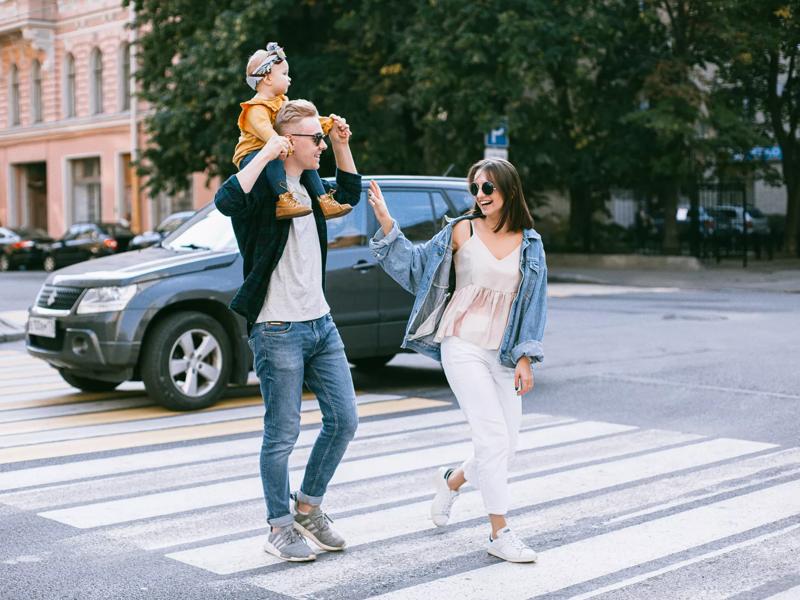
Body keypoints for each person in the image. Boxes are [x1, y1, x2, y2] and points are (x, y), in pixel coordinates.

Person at [368, 158, 546, 563]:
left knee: (508, 443)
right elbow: (415, 269)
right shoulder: (460, 230)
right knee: (492, 438)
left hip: (502, 351)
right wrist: (386, 224)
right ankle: (499, 533)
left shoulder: (530, 243)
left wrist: (525, 357)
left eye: (488, 189)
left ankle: (453, 480)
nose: (480, 196)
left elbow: (534, 305)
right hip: (461, 343)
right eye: (476, 189)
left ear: (509, 191)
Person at [215, 99, 361, 562]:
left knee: (344, 420)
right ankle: (279, 526)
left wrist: (341, 147)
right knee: (282, 434)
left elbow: (351, 194)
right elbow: (225, 201)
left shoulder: (312, 189)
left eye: (321, 136)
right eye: (313, 138)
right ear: (287, 142)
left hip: (320, 322)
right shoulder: (265, 189)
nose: (318, 143)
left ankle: (308, 508)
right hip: (277, 326)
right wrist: (265, 152)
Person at [232, 42, 352, 221]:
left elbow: (298, 122)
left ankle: (324, 200)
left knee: (305, 160)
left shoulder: (282, 102)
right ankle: (284, 200)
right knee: (275, 157)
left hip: (276, 148)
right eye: (284, 74)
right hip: (252, 155)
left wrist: (328, 124)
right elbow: (267, 133)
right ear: (268, 78)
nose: (289, 78)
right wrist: (278, 144)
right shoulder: (254, 109)